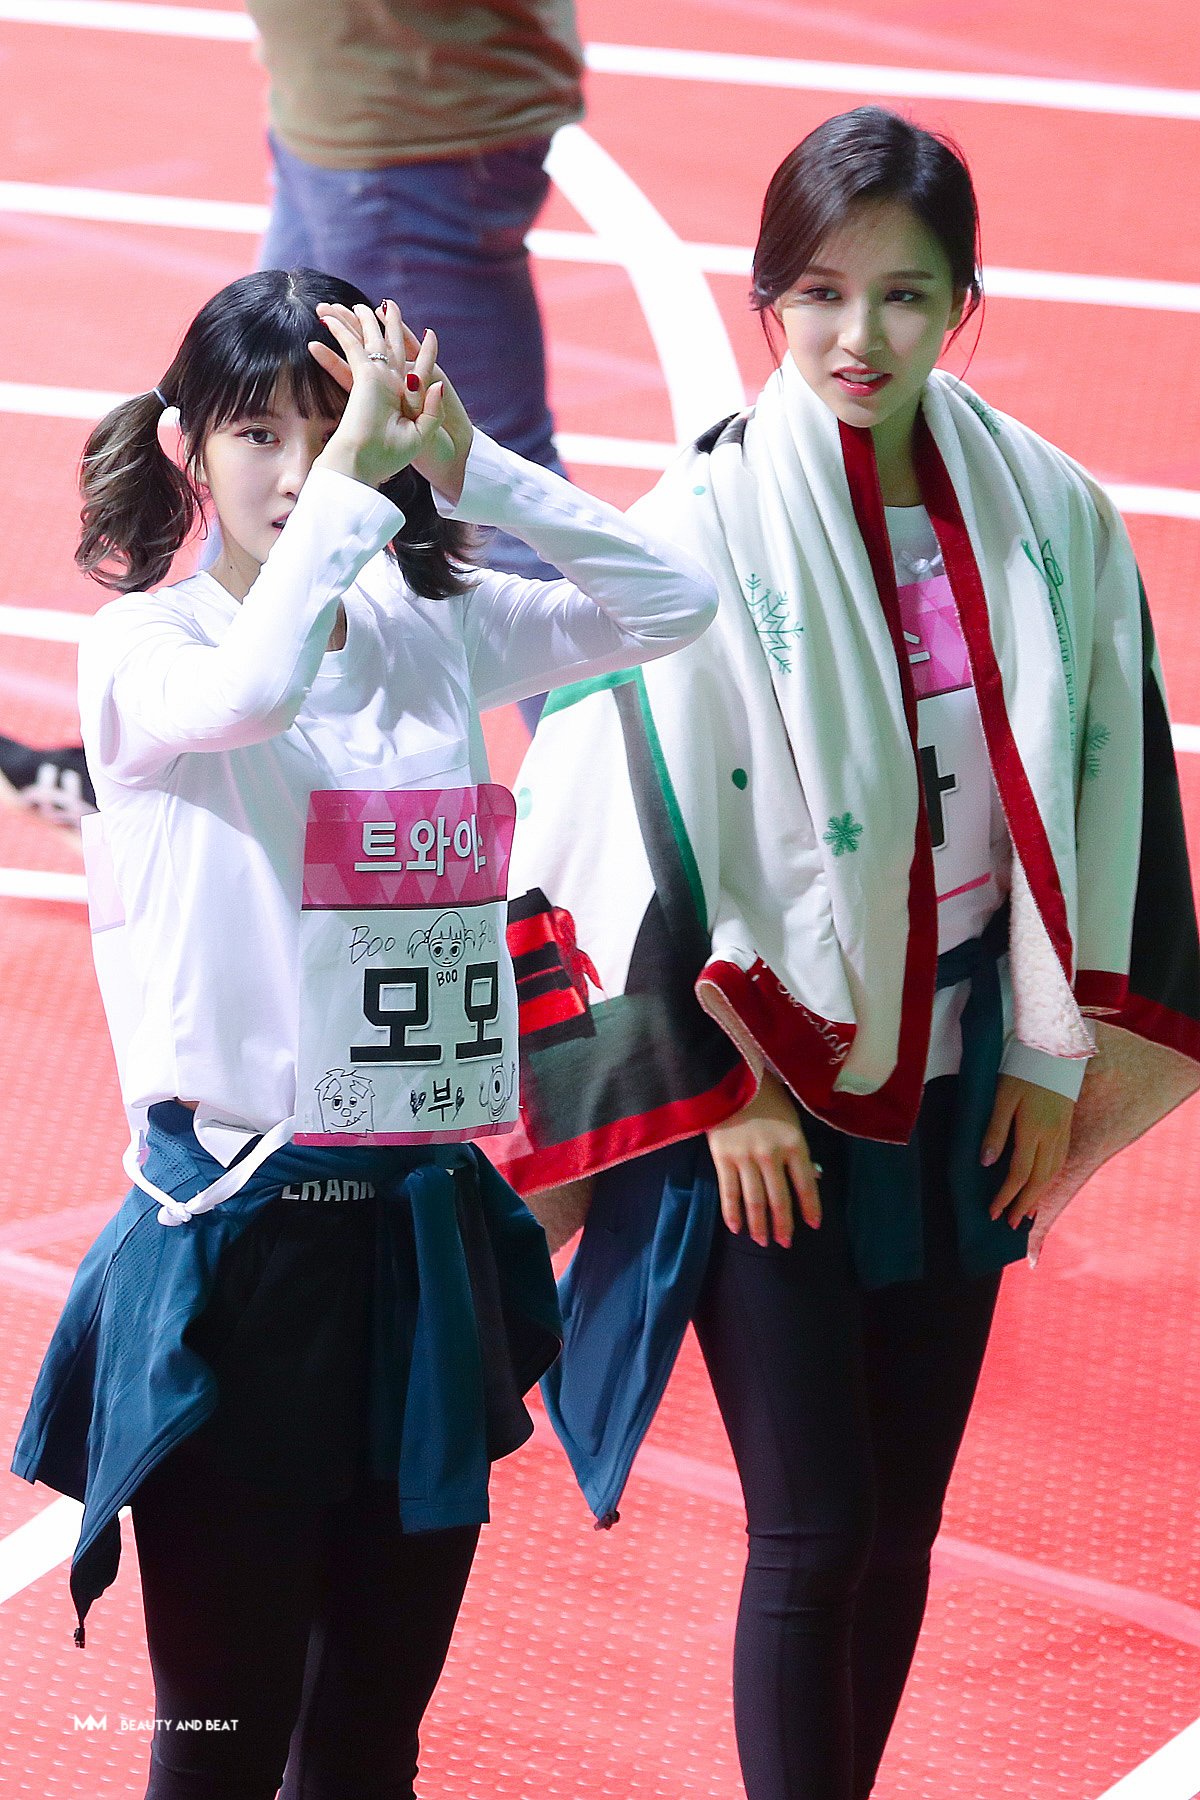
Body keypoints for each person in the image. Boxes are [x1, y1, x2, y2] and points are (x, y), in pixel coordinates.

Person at [493, 109, 1200, 1800]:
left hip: (966, 1089)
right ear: (767, 300)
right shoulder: (694, 535)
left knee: (898, 1530)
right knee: (813, 1529)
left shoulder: (1050, 516)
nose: (857, 336)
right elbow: (609, 820)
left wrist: (1050, 1056)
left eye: (903, 295)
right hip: (767, 1102)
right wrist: (722, 1087)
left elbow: (1108, 790)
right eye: (817, 293)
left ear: (964, 304)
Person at [11, 266, 716, 1800]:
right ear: (189, 447)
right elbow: (260, 689)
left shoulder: (430, 626)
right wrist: (357, 483)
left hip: (423, 1232)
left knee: (369, 1744)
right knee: (220, 1740)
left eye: (330, 426)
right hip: (239, 1244)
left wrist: (474, 466)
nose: (296, 467)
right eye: (259, 432)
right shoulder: (148, 651)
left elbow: (677, 603)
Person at [246, 0, 582, 594]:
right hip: (345, 115)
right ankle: (224, 646)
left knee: (488, 482)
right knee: (259, 419)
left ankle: (587, 660)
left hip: (403, 139)